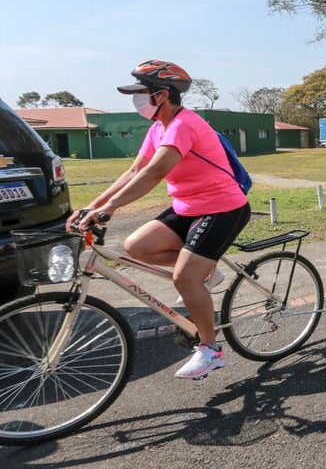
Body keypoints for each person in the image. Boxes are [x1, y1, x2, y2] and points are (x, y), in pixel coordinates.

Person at [67, 60, 252, 380]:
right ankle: (207, 269)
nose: (136, 99)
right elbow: (135, 170)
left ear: (162, 95)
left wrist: (109, 209)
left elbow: (155, 172)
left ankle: (211, 350)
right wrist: (92, 206)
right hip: (187, 208)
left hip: (223, 208)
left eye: (141, 92)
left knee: (184, 278)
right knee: (136, 245)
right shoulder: (158, 127)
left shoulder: (185, 125)